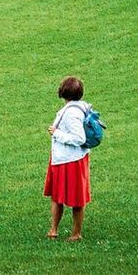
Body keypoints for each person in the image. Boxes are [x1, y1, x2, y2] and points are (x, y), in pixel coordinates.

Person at [45, 75, 92, 240]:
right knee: (58, 196)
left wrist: (57, 133)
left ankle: (75, 233)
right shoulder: (79, 108)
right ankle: (54, 229)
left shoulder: (71, 113)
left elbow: (79, 138)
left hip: (70, 160)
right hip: (64, 159)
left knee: (73, 199)